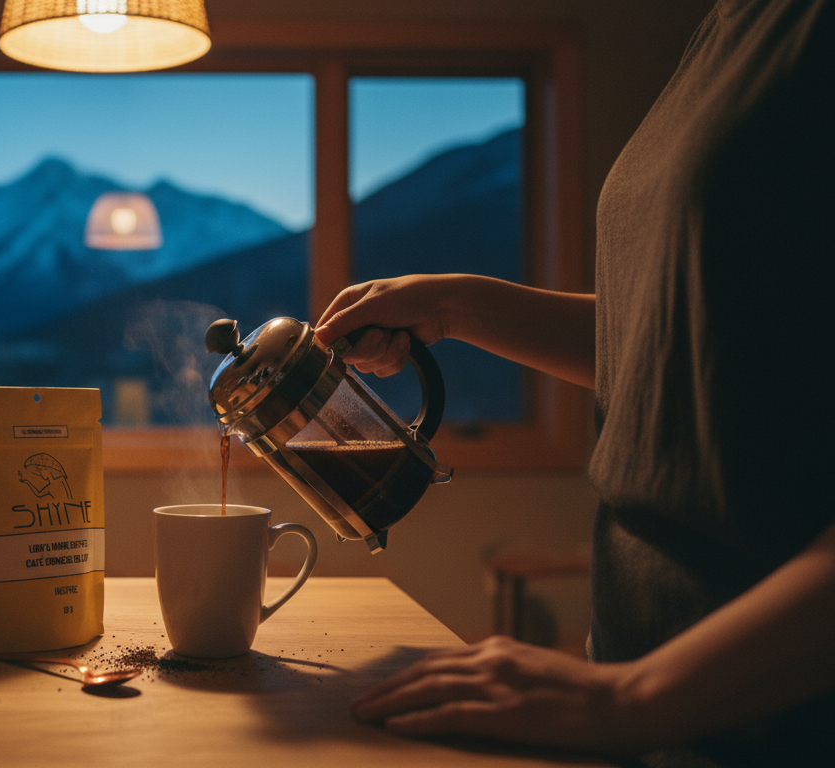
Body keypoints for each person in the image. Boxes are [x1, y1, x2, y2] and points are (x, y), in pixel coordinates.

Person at [313, 0, 834, 765]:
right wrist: (458, 304)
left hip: (774, 724)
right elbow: (691, 343)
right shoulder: (729, 30)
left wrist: (639, 696)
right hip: (650, 713)